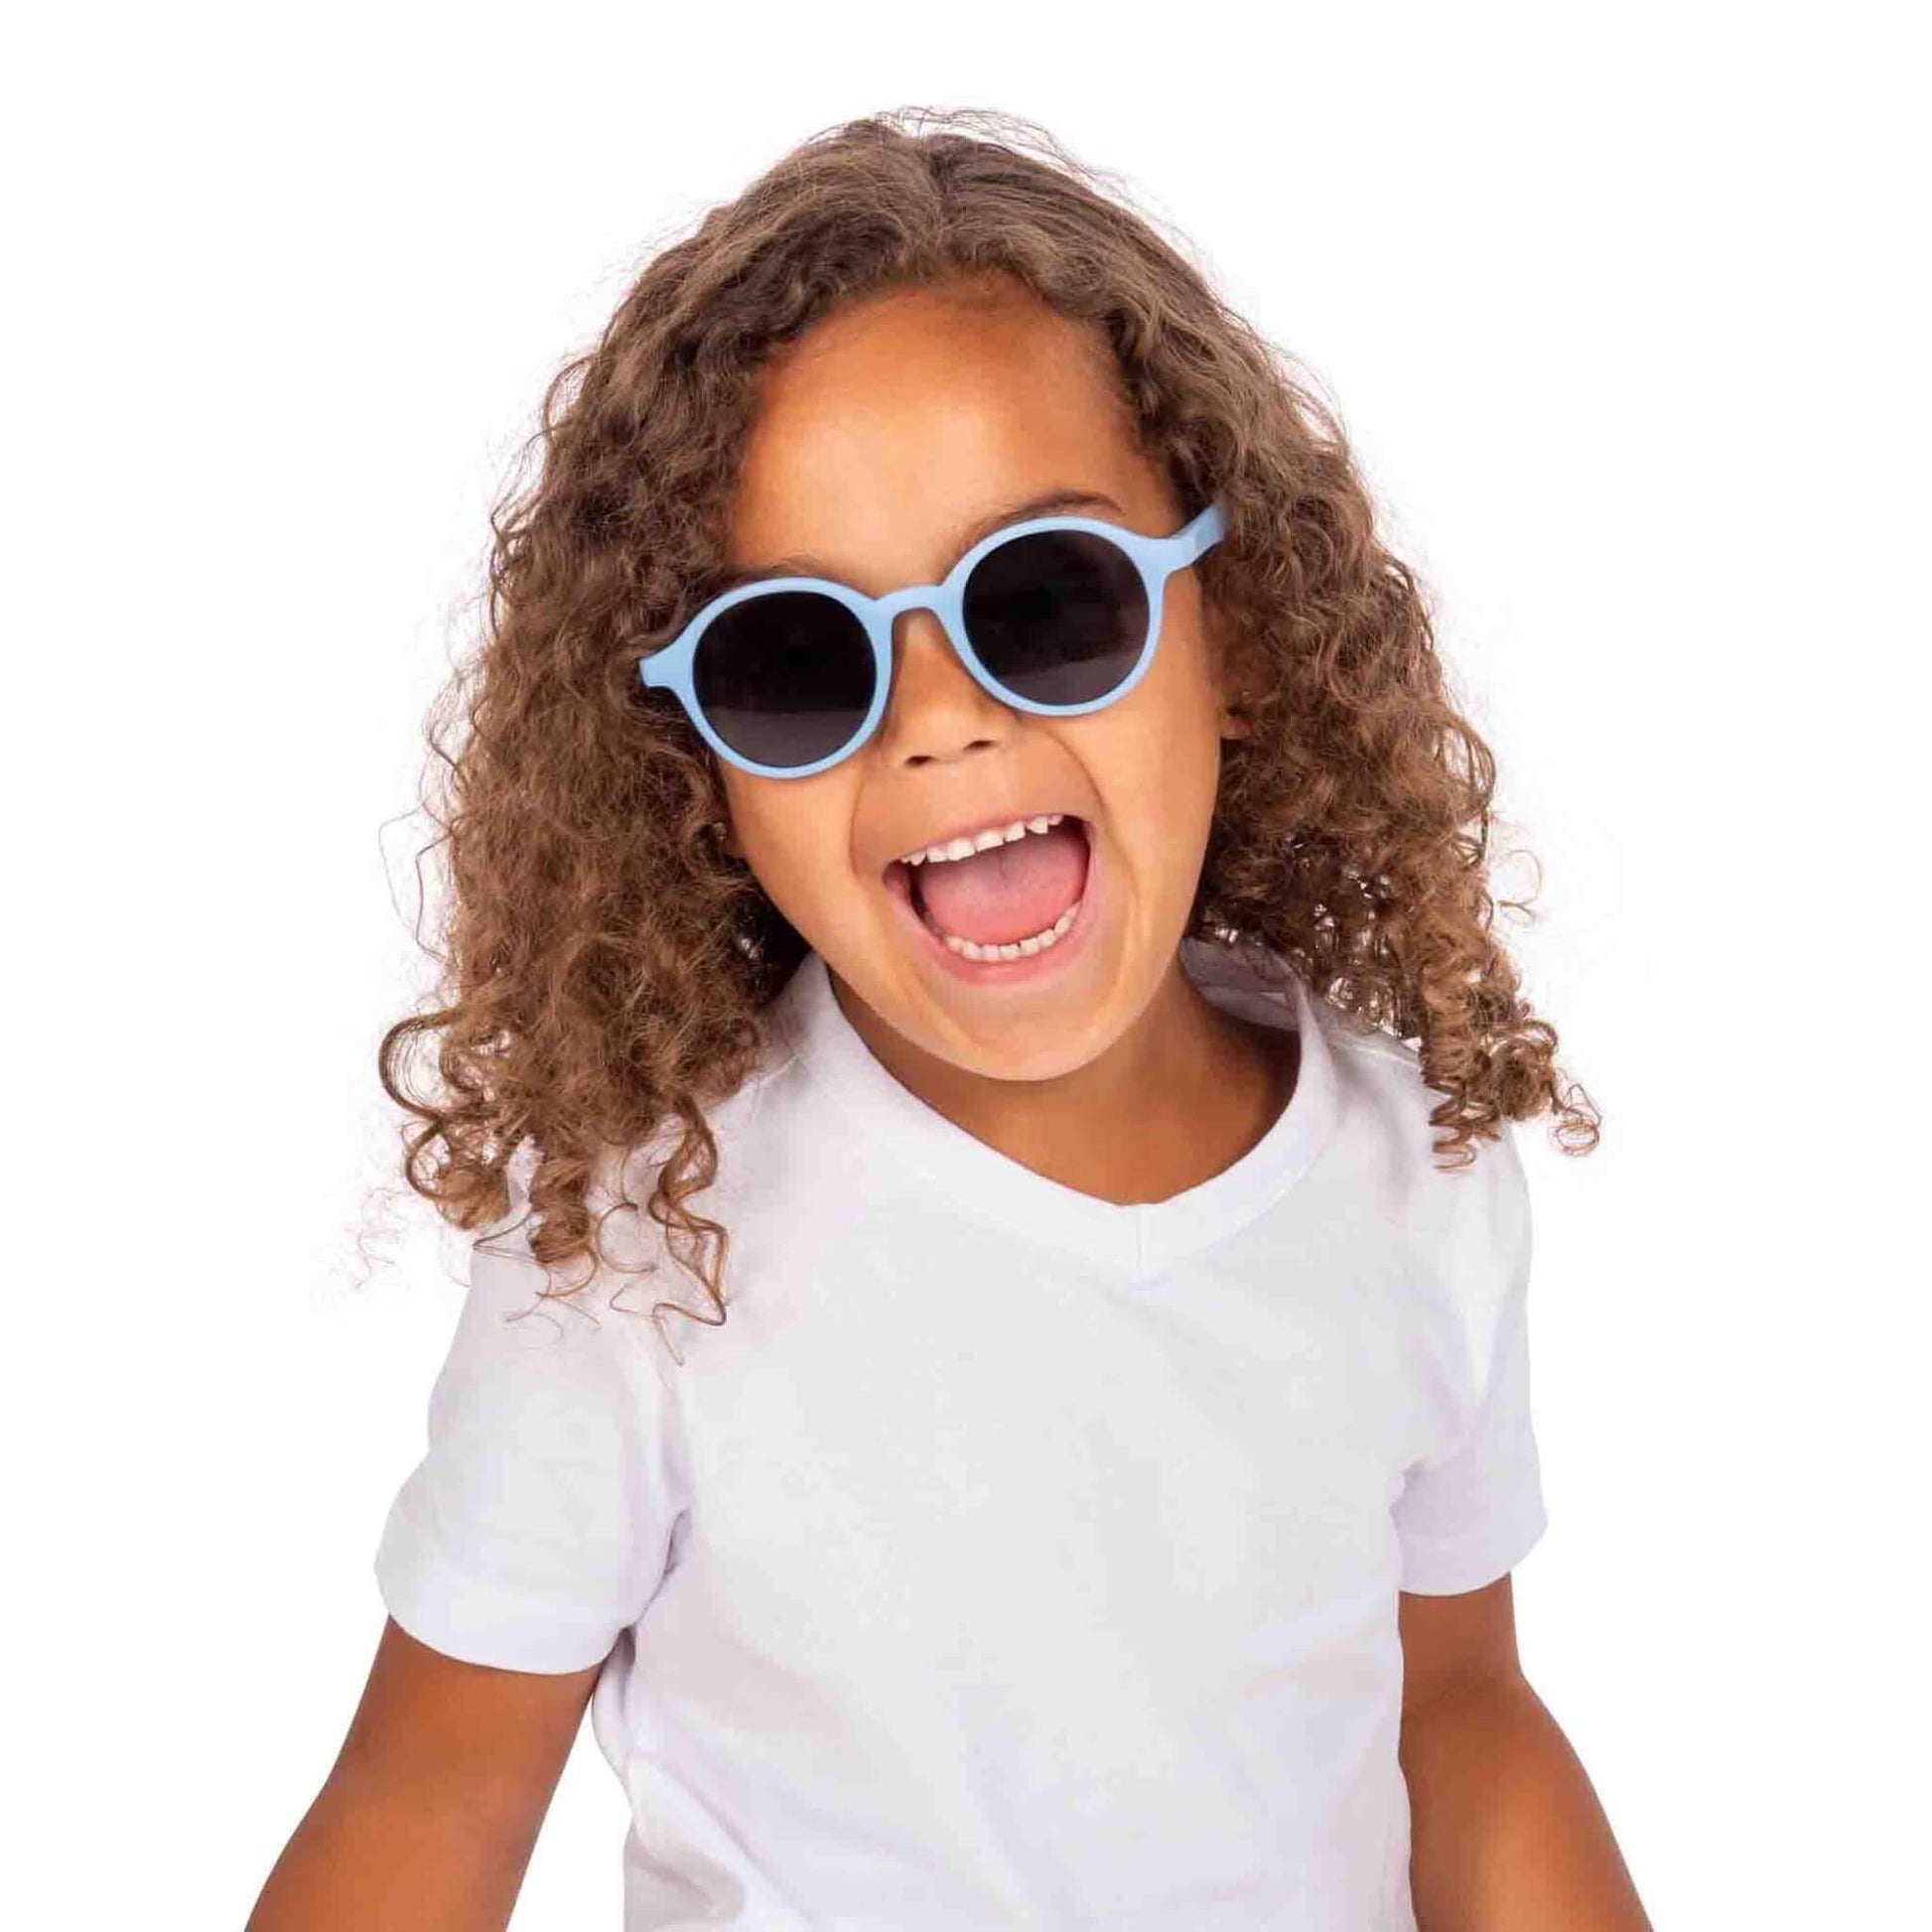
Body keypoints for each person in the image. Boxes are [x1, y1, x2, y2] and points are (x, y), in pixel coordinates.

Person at [250, 106, 1649, 1931]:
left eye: (1046, 604)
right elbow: (431, 1797)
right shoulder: (648, 1242)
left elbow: (1458, 1711)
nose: (936, 723)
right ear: (697, 769)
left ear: (1228, 625)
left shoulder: (1408, 1159)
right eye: (797, 658)